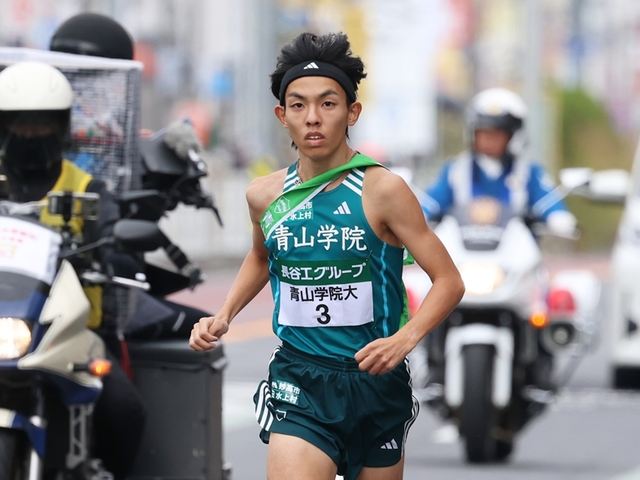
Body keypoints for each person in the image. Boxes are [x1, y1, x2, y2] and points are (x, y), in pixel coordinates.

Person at [189, 32, 465, 480]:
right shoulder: (264, 195)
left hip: (376, 380)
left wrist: (404, 339)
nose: (312, 117)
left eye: (328, 103)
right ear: (282, 116)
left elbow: (449, 281)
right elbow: (261, 256)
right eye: (298, 105)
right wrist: (224, 314)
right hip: (301, 377)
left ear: (352, 112)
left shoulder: (383, 190)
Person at [0, 60, 145, 480]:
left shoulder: (88, 189)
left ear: (62, 126)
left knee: (124, 409)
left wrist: (115, 254)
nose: (31, 133)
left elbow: (116, 237)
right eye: (20, 123)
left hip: (72, 333)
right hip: (10, 327)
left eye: (42, 123)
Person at [49, 11, 211, 340]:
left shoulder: (117, 137)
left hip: (92, 272)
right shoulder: (109, 134)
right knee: (202, 330)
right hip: (69, 274)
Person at [421, 87, 578, 236]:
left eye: (496, 134)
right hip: (462, 252)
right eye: (483, 133)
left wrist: (559, 218)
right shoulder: (456, 171)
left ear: (514, 136)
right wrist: (420, 215)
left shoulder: (529, 173)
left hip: (517, 253)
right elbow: (431, 202)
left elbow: (547, 201)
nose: (488, 140)